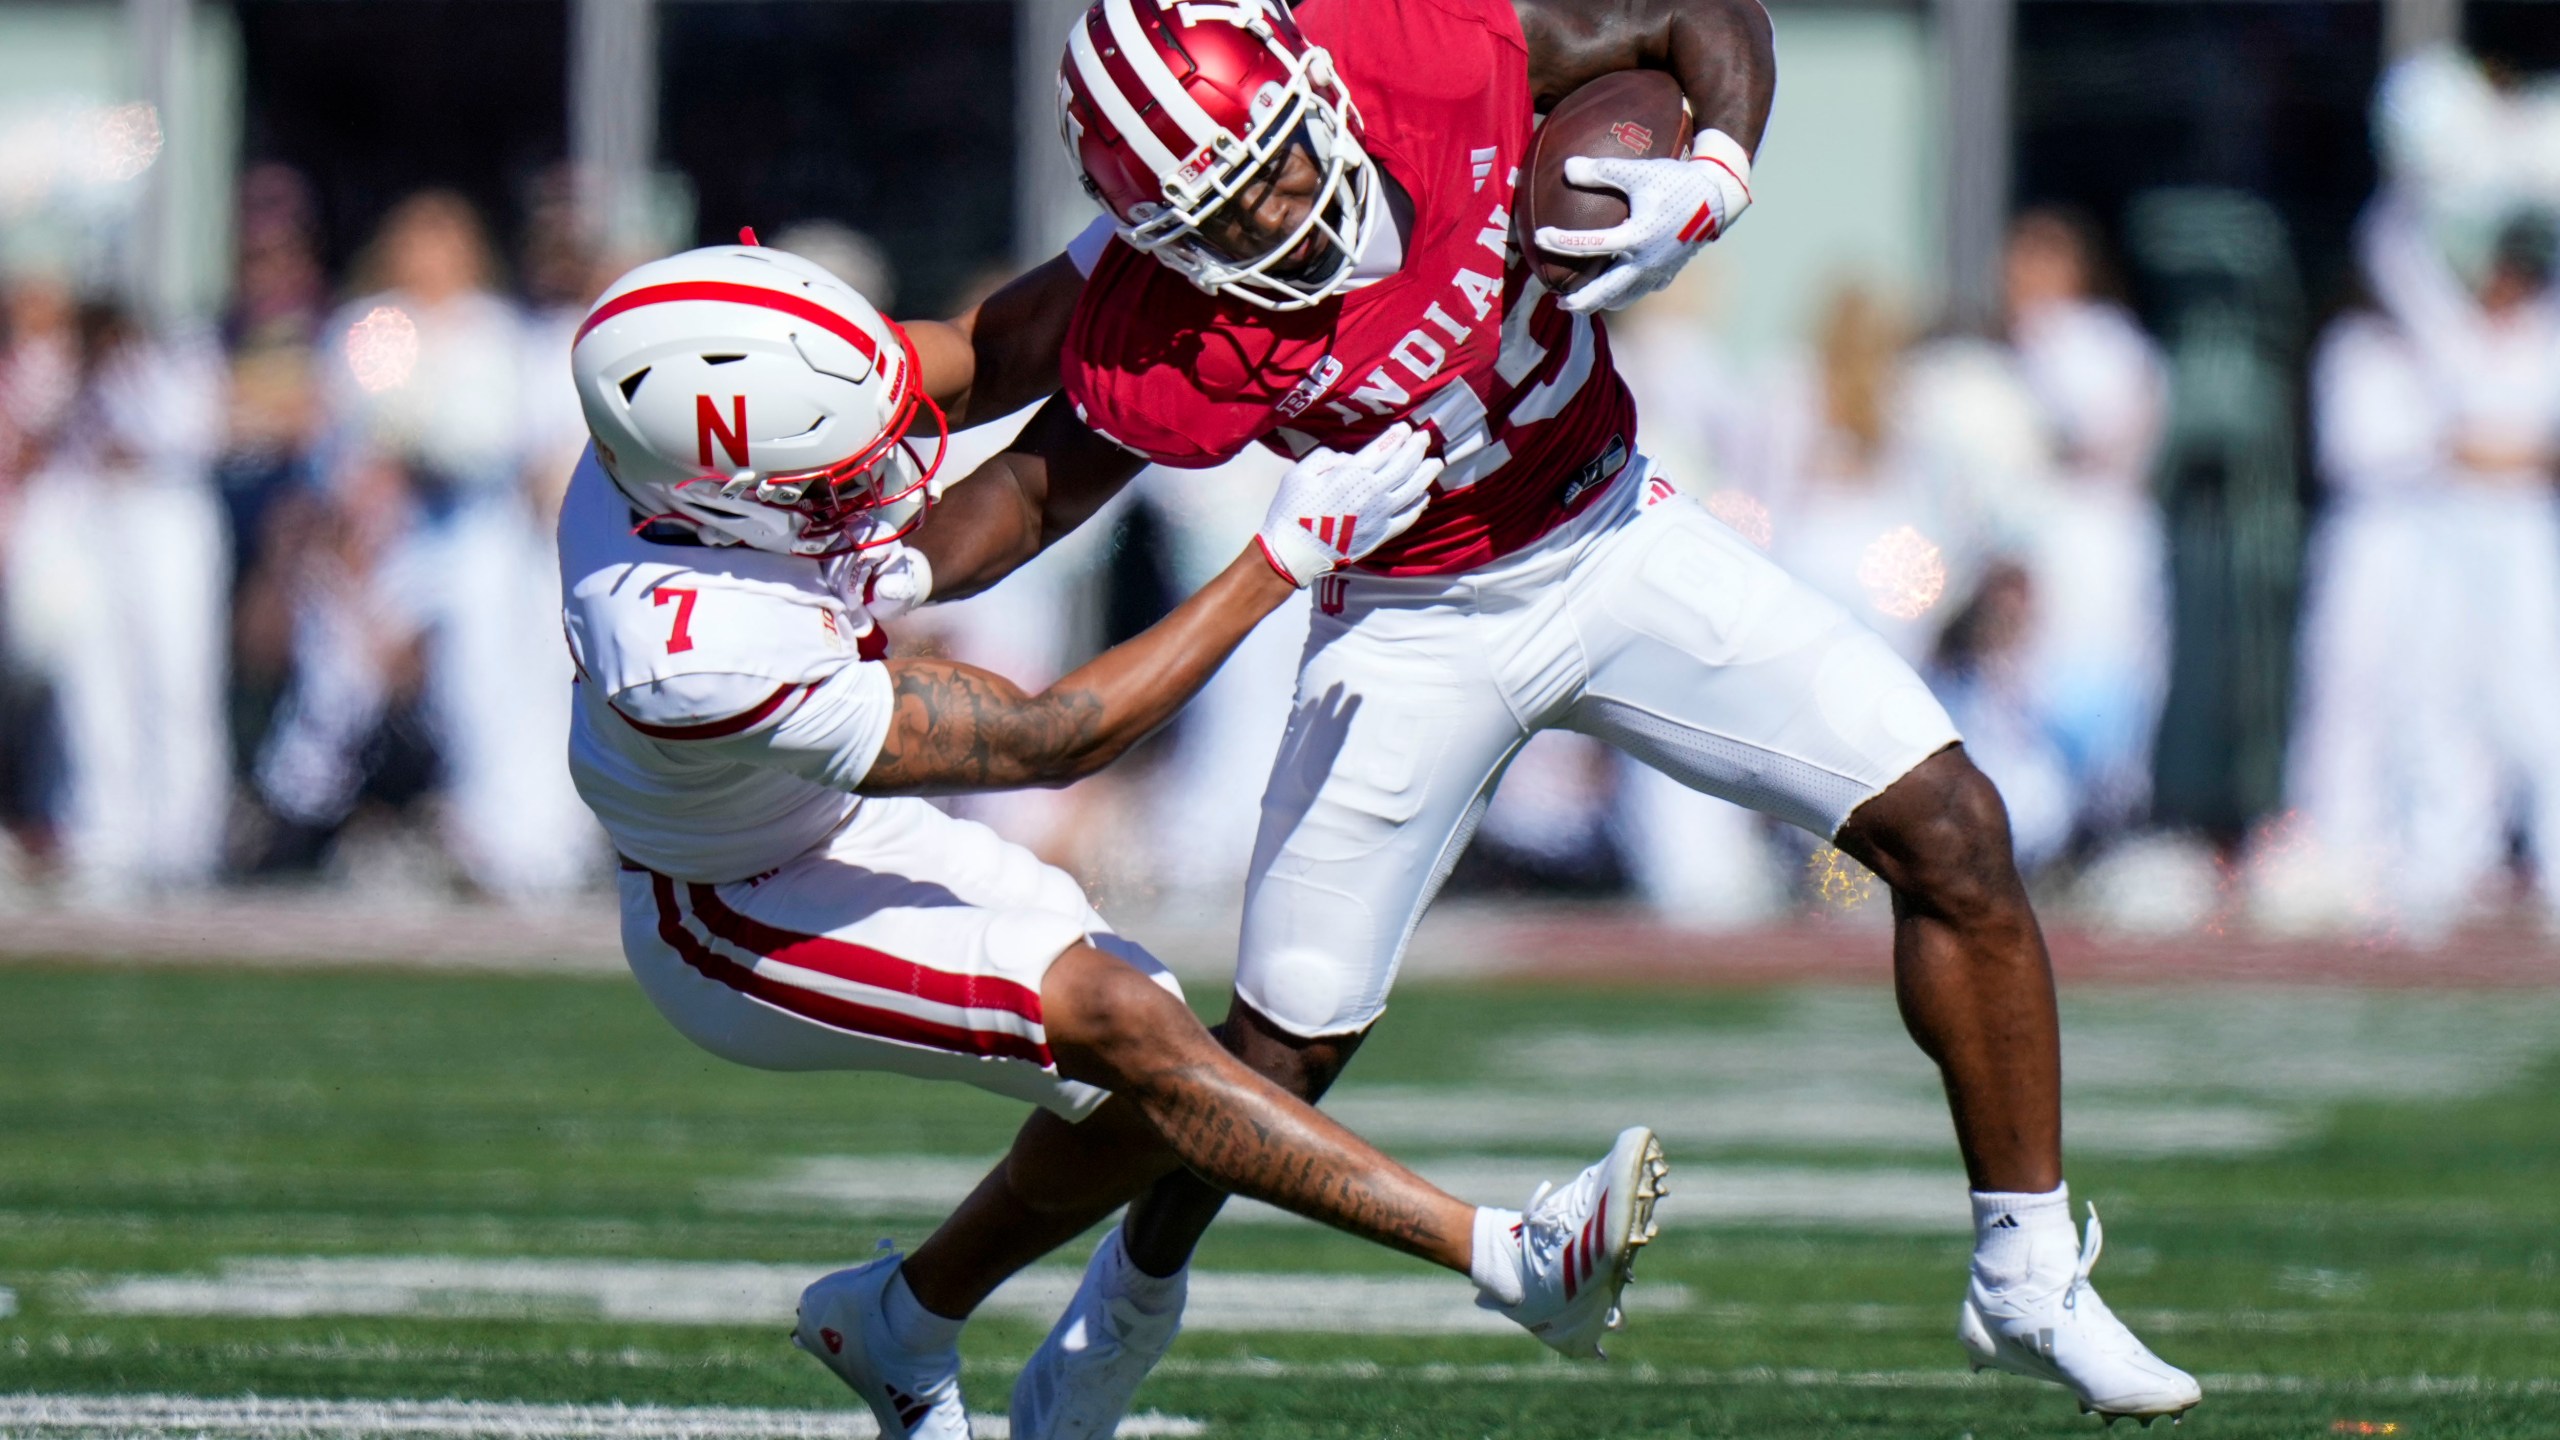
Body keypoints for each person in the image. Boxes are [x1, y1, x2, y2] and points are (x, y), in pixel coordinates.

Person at [864, 0, 2200, 1426]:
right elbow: (1037, 483)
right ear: (1155, 235)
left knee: (1951, 825)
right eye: (1226, 208)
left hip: (1615, 534)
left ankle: (2026, 1264)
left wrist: (1724, 167)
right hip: (1406, 622)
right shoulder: (1165, 322)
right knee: (1272, 1054)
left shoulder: (1425, 57)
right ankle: (1125, 1298)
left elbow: (1702, 15)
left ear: (1316, 87)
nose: (1279, 208)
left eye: (1277, 159)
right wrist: (886, 570)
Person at [561, 241, 1667, 1439]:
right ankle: (1508, 1261)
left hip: (823, 826)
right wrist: (1280, 558)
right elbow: (1051, 738)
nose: (881, 469)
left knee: (1149, 1054)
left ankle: (903, 1317)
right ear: (713, 497)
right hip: (731, 910)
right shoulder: (684, 649)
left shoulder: (708, 434)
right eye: (830, 476)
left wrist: (1151, 253)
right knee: (1132, 1030)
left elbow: (987, 355)